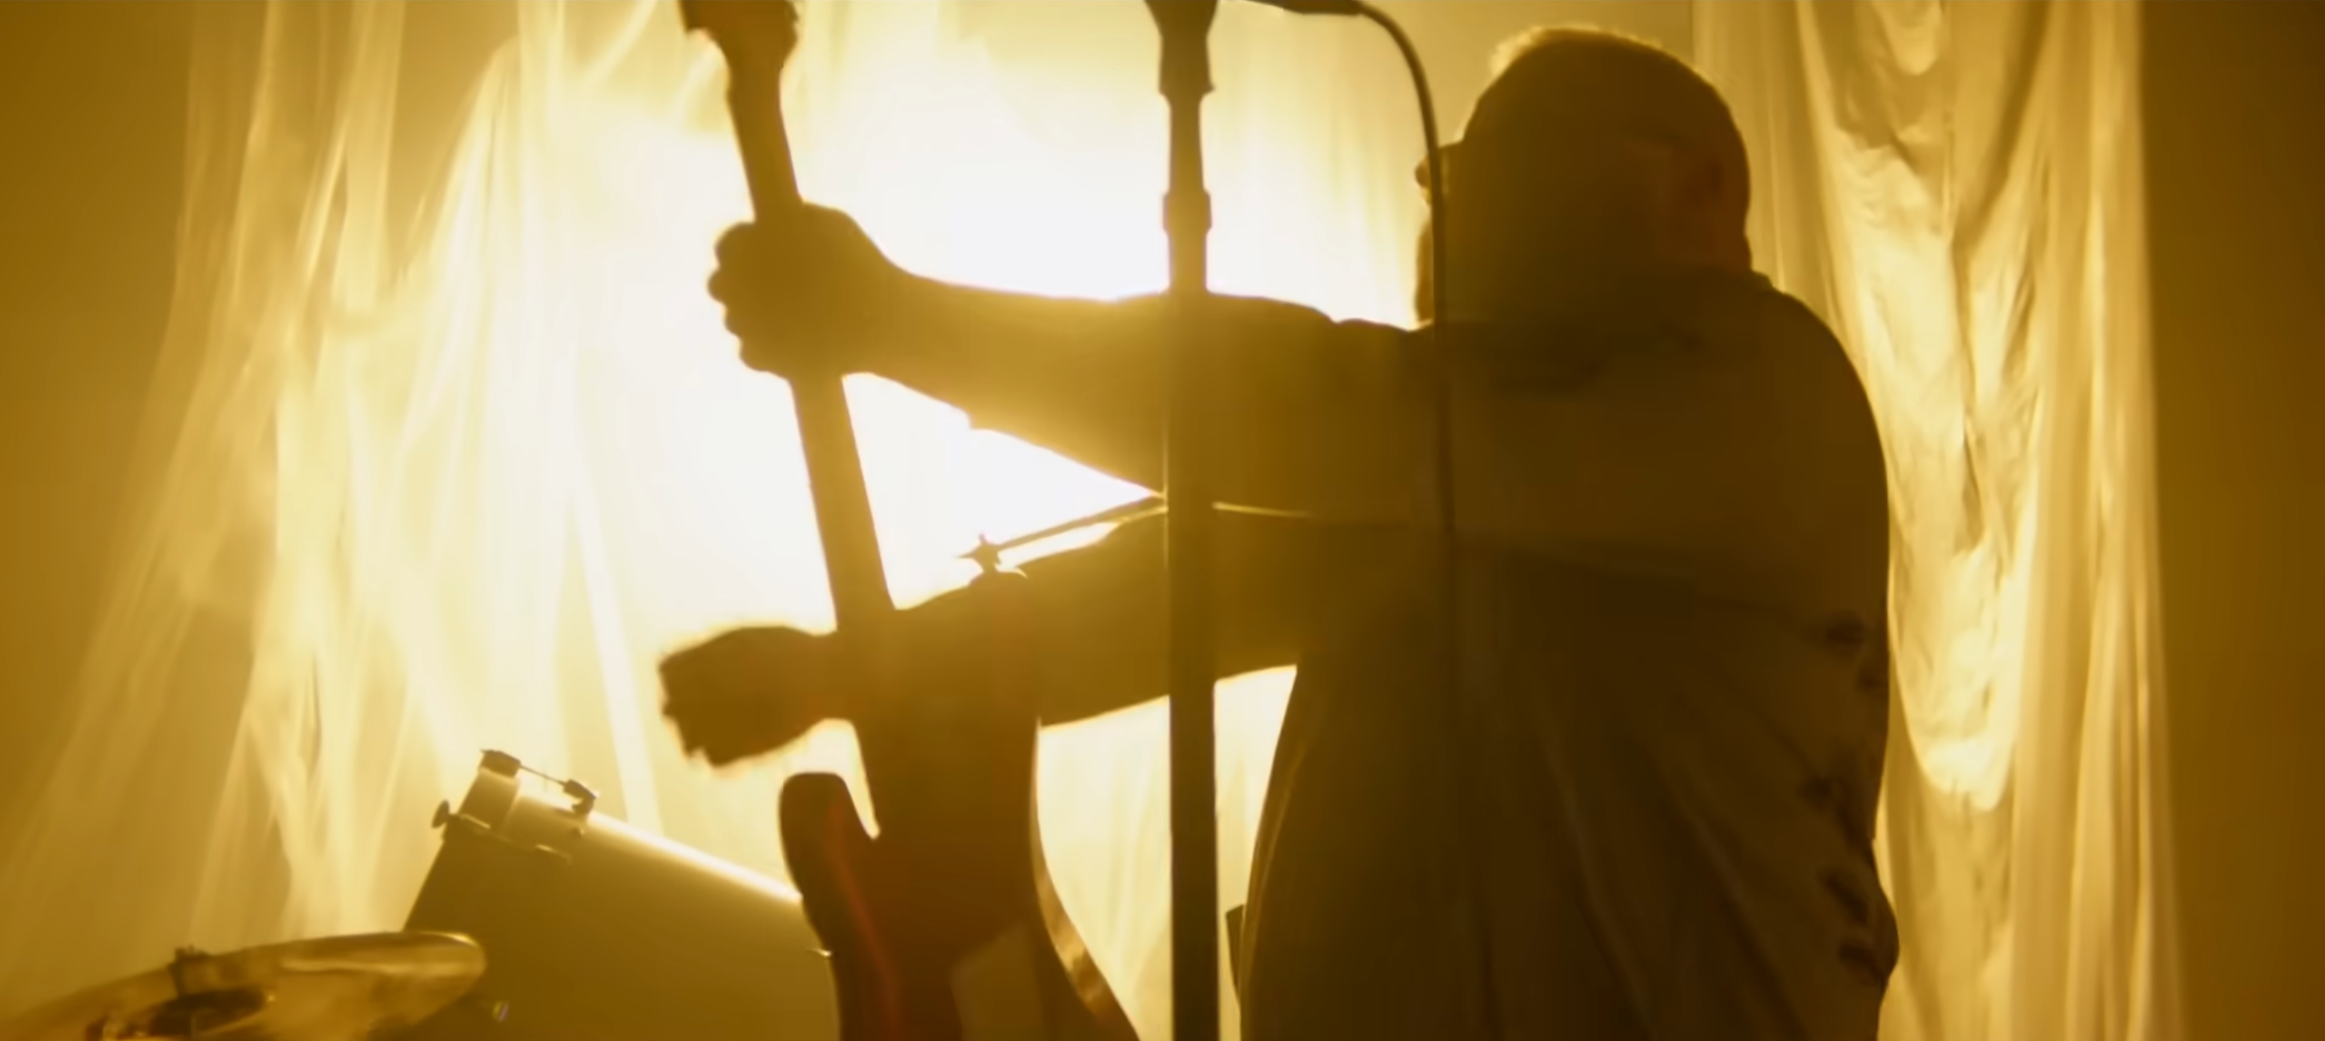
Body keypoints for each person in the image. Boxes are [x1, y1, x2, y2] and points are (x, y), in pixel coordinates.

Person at [661, 26, 1898, 1041]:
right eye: (1449, 174)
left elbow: (1326, 409)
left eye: (1498, 163)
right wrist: (852, 667)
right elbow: (1189, 589)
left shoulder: (1757, 390)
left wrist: (896, 318)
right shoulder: (1504, 477)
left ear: (1695, 189)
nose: (1452, 203)